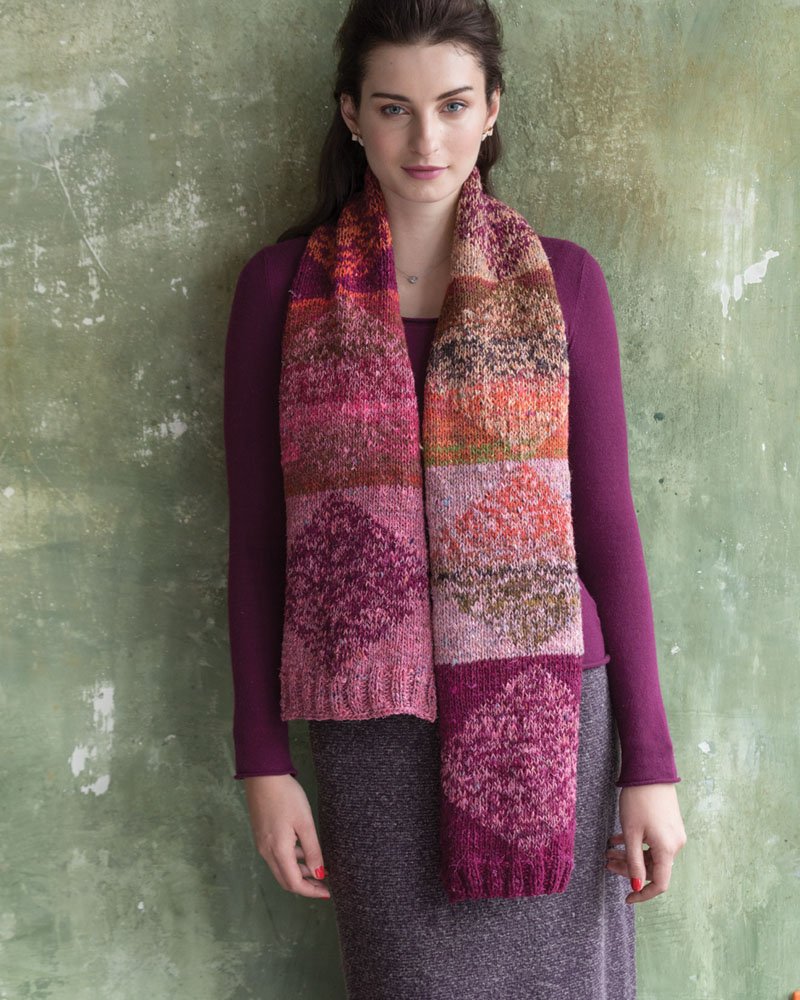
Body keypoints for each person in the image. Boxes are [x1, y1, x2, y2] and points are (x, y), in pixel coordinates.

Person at [223, 1, 687, 995]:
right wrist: (262, 759)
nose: (424, 140)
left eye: (452, 104)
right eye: (394, 107)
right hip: (369, 721)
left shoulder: (563, 282)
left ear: (491, 109)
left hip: (550, 715)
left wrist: (648, 766)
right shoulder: (279, 290)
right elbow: (260, 543)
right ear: (351, 113)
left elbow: (607, 532)